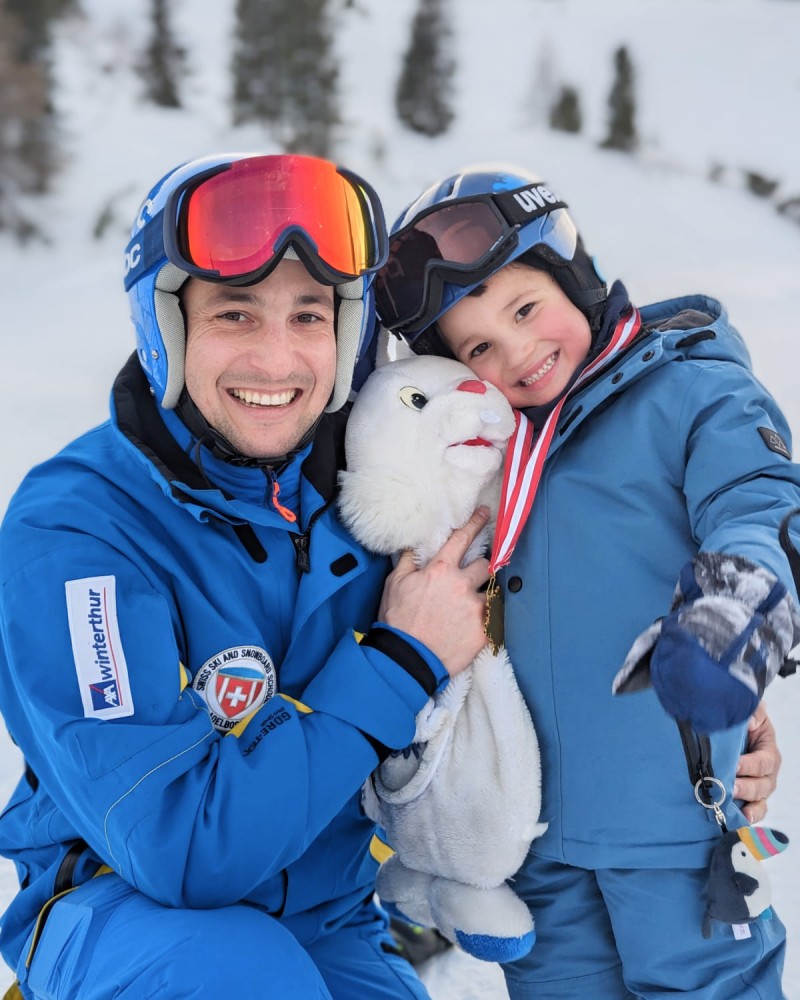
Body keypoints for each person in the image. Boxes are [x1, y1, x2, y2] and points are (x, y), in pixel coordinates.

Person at [0, 152, 493, 1000]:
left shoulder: (375, 486)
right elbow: (178, 846)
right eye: (235, 315)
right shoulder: (77, 530)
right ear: (167, 328)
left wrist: (710, 717)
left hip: (329, 921)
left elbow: (563, 586)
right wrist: (398, 660)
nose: (277, 362)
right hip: (132, 922)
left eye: (309, 316)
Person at [373, 163, 800, 999]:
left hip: (672, 827)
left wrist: (732, 614)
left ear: (576, 277)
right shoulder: (480, 456)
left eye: (526, 309)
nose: (519, 353)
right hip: (532, 840)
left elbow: (761, 505)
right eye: (480, 349)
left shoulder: (691, 394)